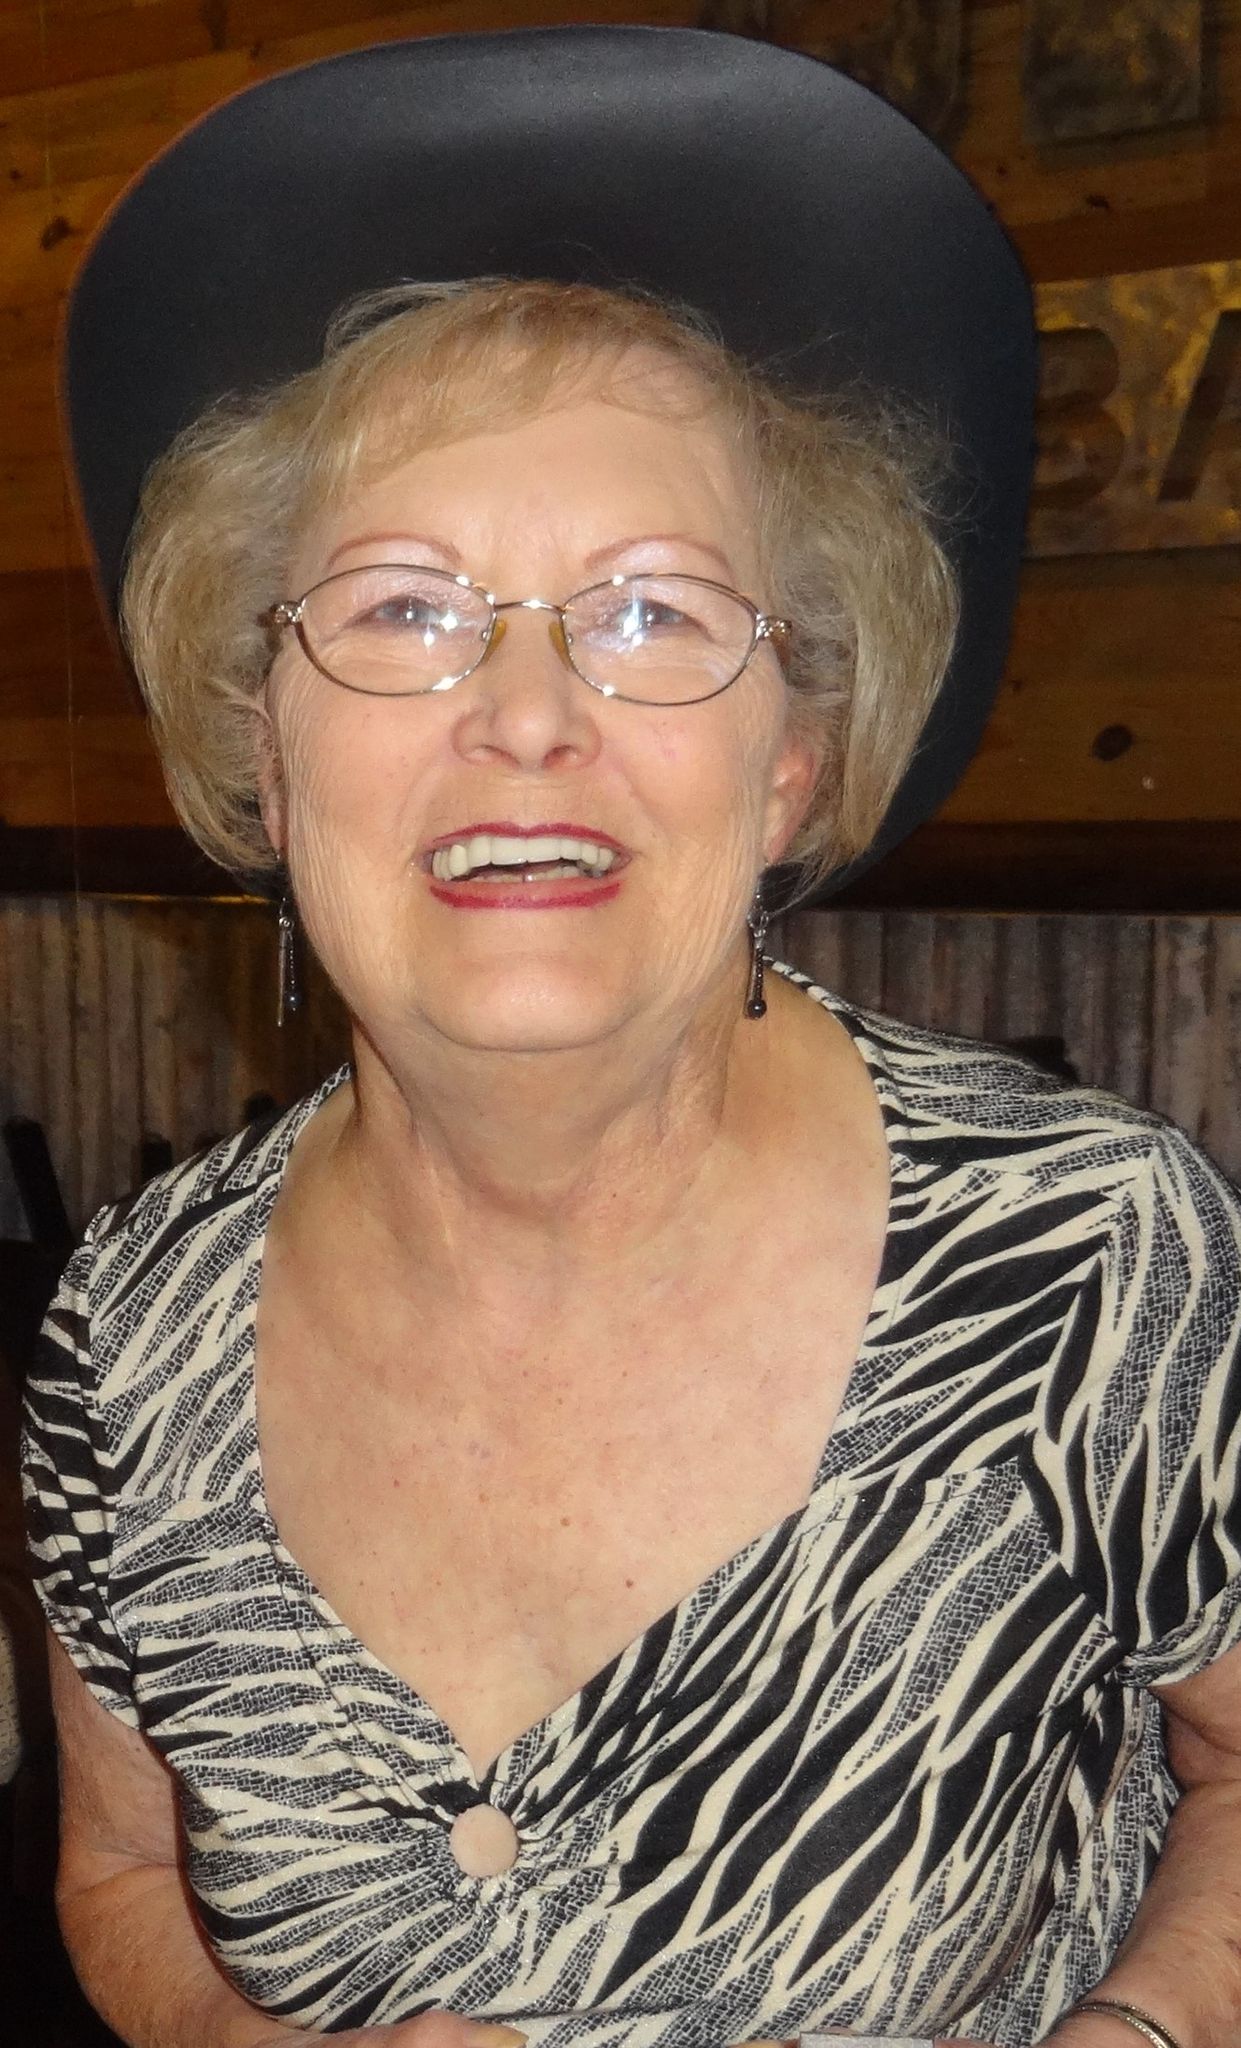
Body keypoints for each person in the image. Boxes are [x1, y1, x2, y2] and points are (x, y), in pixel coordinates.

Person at [20, 26, 1241, 2048]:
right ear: (263, 750)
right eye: (405, 611)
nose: (525, 716)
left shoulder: (1095, 1253)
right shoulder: (126, 1338)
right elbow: (119, 1876)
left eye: (654, 613)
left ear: (791, 765)